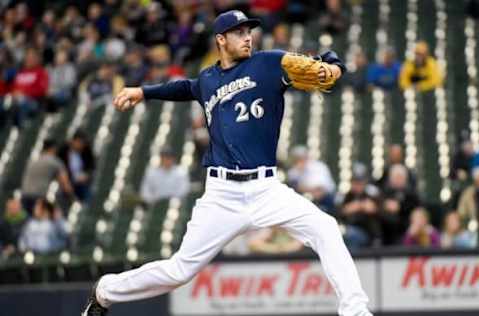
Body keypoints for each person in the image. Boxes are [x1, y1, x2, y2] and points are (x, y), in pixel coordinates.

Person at [82, 11, 373, 316]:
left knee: (325, 227)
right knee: (179, 271)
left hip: (266, 189)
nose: (247, 37)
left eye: (249, 31)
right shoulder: (208, 79)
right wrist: (143, 91)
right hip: (222, 195)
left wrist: (334, 66)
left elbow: (322, 73)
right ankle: (105, 291)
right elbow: (185, 88)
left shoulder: (269, 63)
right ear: (221, 39)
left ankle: (356, 311)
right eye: (239, 33)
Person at [20, 139, 75, 214]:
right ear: (53, 149)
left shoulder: (33, 160)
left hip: (24, 196)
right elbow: (65, 185)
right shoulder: (55, 162)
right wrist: (73, 198)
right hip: (38, 198)